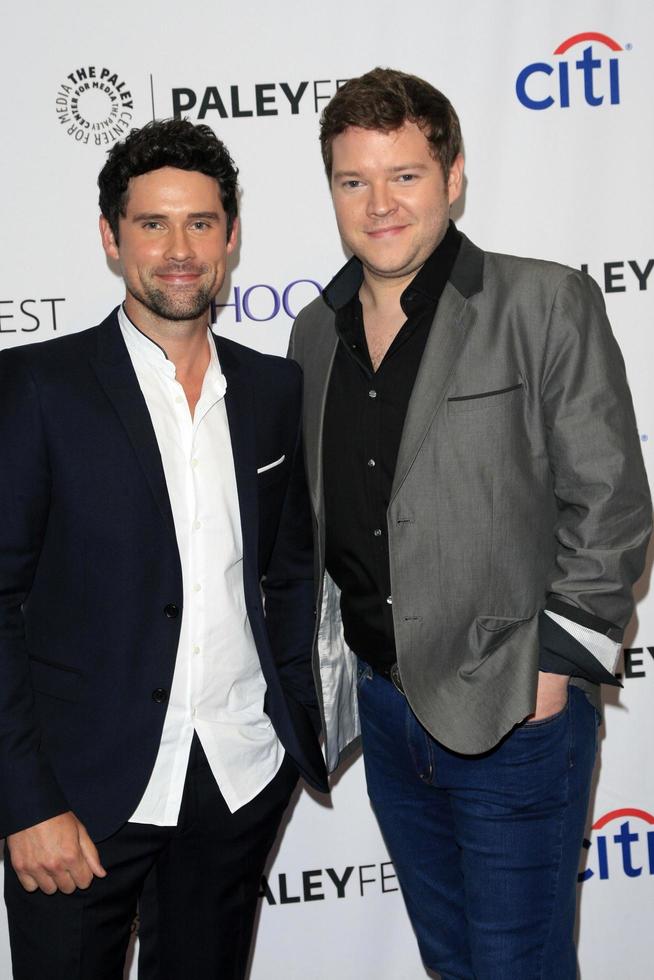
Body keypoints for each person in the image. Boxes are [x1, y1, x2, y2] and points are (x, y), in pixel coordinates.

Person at [288, 68, 652, 979]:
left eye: (405, 175)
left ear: (453, 178)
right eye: (354, 181)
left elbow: (610, 499)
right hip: (384, 707)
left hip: (514, 710)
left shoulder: (540, 302)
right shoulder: (311, 333)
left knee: (517, 967)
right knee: (453, 963)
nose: (379, 205)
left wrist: (557, 665)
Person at [0, 117, 327, 980]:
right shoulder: (39, 388)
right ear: (111, 238)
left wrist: (289, 730)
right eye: (152, 224)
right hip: (80, 801)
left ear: (231, 235)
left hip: (235, 779)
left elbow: (289, 573)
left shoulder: (271, 388)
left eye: (201, 223)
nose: (179, 249)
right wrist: (25, 802)